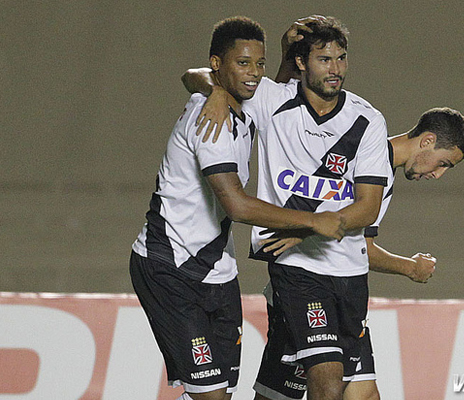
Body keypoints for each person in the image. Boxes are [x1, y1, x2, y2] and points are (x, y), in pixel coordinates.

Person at [130, 17, 347, 400]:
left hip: (217, 273)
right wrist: (315, 222)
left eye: (259, 64)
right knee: (210, 396)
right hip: (171, 268)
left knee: (220, 394)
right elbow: (237, 204)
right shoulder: (209, 121)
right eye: (243, 63)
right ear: (218, 65)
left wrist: (280, 58)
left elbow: (261, 94)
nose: (254, 74)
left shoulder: (241, 105)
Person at [182, 16, 391, 400]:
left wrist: (308, 227)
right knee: (326, 376)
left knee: (331, 389)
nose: (336, 69)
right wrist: (213, 92)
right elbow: (195, 73)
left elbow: (368, 208)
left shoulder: (367, 120)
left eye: (341, 59)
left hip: (349, 271)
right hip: (298, 271)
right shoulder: (272, 100)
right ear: (300, 63)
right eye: (325, 59)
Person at [255, 107, 464, 400]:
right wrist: (410, 268)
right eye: (442, 162)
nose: (438, 174)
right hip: (307, 285)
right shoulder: (365, 158)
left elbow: (356, 245)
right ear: (427, 141)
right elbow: (351, 240)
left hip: (343, 292)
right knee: (309, 388)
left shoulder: (381, 168)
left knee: (363, 394)